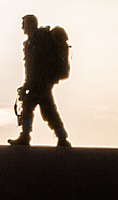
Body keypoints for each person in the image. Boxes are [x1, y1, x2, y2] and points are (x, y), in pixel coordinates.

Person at [8, 14, 71, 148]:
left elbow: (39, 65)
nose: (22, 27)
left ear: (31, 24)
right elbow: (30, 67)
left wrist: (30, 84)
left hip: (41, 82)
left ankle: (25, 136)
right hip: (41, 82)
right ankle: (62, 137)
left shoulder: (39, 41)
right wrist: (27, 83)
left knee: (28, 106)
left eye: (24, 24)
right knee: (48, 110)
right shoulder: (31, 42)